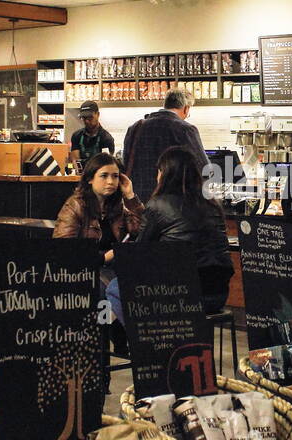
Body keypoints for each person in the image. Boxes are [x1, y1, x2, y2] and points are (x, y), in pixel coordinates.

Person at [138, 145, 234, 314]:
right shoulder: (212, 204)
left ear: (164, 173)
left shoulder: (158, 204)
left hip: (182, 297)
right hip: (218, 295)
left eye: (159, 171)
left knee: (116, 288)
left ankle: (150, 339)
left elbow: (141, 251)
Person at [53, 151, 144, 325]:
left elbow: (141, 230)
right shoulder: (75, 206)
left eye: (115, 176)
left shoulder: (118, 206)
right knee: (114, 291)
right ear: (90, 179)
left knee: (141, 288)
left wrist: (131, 197)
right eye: (104, 176)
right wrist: (105, 257)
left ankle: (133, 340)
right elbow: (64, 252)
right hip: (82, 271)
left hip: (115, 268)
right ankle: (122, 339)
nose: (111, 181)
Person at [122, 88, 206, 206]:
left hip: (136, 203)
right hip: (171, 206)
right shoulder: (185, 129)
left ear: (166, 104)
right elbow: (203, 167)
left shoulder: (135, 128)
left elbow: (125, 165)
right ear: (186, 109)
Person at [70, 100, 115, 165]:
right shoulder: (76, 136)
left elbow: (106, 164)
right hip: (81, 174)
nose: (87, 121)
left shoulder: (106, 138)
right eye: (84, 118)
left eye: (90, 117)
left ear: (98, 114)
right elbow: (75, 161)